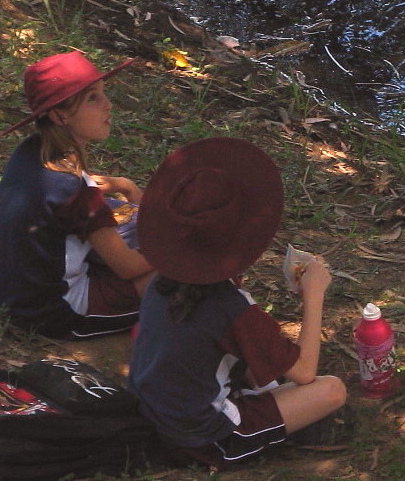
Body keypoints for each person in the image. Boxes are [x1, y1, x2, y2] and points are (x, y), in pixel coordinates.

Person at [128, 137, 350, 469]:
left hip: (151, 410)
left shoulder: (161, 279)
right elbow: (304, 374)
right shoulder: (232, 307)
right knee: (332, 390)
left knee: (268, 375)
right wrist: (314, 294)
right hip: (205, 436)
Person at [0, 51, 154, 339]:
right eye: (92, 98)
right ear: (59, 114)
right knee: (188, 277)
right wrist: (184, 247)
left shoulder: (31, 151)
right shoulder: (73, 188)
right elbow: (127, 267)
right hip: (54, 312)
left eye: (103, 94)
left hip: (8, 295)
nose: (108, 105)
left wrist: (125, 186)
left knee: (129, 219)